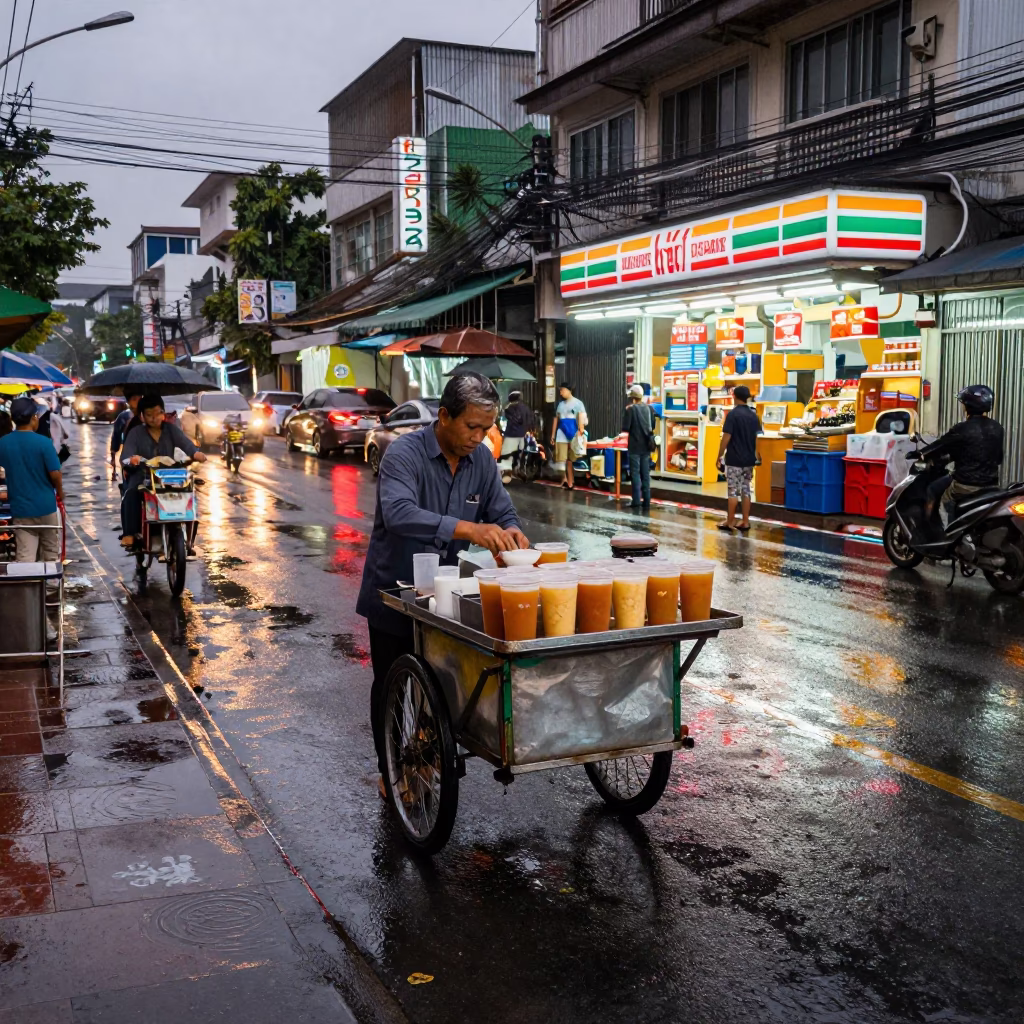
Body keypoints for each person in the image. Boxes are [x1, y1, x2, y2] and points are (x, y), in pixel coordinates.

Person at [357, 372, 529, 791]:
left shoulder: (482, 461)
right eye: (472, 427)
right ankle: (392, 769)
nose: (479, 437)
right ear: (445, 416)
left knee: (441, 685)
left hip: (445, 596)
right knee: (393, 685)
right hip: (394, 591)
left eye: (487, 429)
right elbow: (398, 513)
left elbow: (501, 511)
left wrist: (513, 534)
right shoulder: (404, 455)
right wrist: (470, 530)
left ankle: (425, 755)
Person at [119, 394, 207, 549]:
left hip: (168, 473)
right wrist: (132, 459)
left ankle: (186, 531)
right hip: (143, 473)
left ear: (164, 413)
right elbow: (126, 455)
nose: (154, 418)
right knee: (131, 493)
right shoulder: (136, 433)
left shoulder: (171, 429)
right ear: (142, 416)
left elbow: (185, 444)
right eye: (149, 415)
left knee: (188, 489)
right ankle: (130, 533)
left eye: (158, 413)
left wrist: (195, 453)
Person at [922, 384, 1004, 532]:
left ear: (968, 406)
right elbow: (998, 458)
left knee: (937, 493)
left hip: (966, 485)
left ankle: (946, 539)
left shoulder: (962, 429)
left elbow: (939, 446)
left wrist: (922, 454)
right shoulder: (997, 428)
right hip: (992, 485)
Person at [0, 397, 64, 562]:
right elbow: (55, 473)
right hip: (46, 507)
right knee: (50, 553)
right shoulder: (43, 442)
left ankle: (27, 587)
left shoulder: (3, 443)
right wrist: (61, 492)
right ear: (34, 417)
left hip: (21, 510)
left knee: (25, 556)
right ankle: (50, 588)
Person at [716, 385, 761, 532]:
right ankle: (745, 521)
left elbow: (726, 437)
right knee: (746, 490)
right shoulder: (753, 415)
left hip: (734, 459)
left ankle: (730, 521)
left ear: (734, 396)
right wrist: (756, 456)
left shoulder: (733, 415)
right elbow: (757, 438)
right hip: (749, 460)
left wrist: (719, 455)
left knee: (733, 491)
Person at [622, 384, 655, 512]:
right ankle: (647, 500)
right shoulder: (649, 409)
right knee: (645, 474)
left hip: (635, 446)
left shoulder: (630, 409)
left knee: (635, 474)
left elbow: (625, 428)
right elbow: (652, 426)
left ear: (633, 398)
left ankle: (636, 501)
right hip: (647, 446)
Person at [550, 382, 586, 490]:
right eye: (560, 391)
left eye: (562, 390)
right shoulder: (560, 405)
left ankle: (570, 481)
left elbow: (582, 417)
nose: (561, 393)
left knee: (571, 459)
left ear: (569, 390)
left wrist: (581, 430)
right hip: (561, 433)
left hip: (574, 432)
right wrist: (553, 435)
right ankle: (566, 480)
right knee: (562, 459)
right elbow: (556, 419)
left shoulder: (578, 403)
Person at [499, 390, 536, 484]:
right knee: (518, 454)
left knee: (507, 455)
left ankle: (507, 475)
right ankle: (518, 469)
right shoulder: (527, 408)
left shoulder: (510, 407)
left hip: (511, 435)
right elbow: (531, 421)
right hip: (522, 436)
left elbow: (511, 418)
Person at [110, 387, 146, 468]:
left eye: (140, 398)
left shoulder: (147, 415)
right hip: (131, 459)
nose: (138, 401)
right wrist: (113, 456)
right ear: (128, 402)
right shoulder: (124, 417)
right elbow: (116, 436)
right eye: (134, 399)